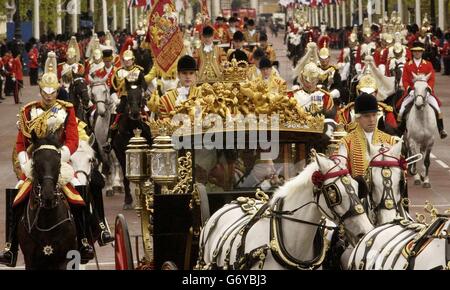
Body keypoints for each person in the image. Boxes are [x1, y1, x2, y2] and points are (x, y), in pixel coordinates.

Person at [0, 52, 94, 267]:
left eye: (53, 92)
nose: (49, 96)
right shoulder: (28, 111)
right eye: (46, 91)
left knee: (78, 189)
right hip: (36, 165)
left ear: (58, 90)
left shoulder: (66, 110)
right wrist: (25, 163)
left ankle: (85, 239)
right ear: (40, 90)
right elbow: (21, 143)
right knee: (17, 195)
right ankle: (11, 247)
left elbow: (72, 139)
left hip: (59, 163)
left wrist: (62, 156)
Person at [338, 93, 399, 178]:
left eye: (374, 115)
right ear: (357, 118)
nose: (372, 120)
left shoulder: (389, 140)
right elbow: (340, 169)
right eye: (367, 116)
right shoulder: (346, 142)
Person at [397, 41, 447, 139]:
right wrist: (409, 89)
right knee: (402, 109)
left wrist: (428, 89)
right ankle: (400, 130)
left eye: (419, 51)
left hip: (426, 92)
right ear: (412, 52)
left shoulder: (428, 64)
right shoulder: (408, 65)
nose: (417, 53)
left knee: (437, 108)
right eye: (415, 51)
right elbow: (405, 79)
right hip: (412, 92)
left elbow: (432, 78)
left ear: (422, 52)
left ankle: (441, 129)